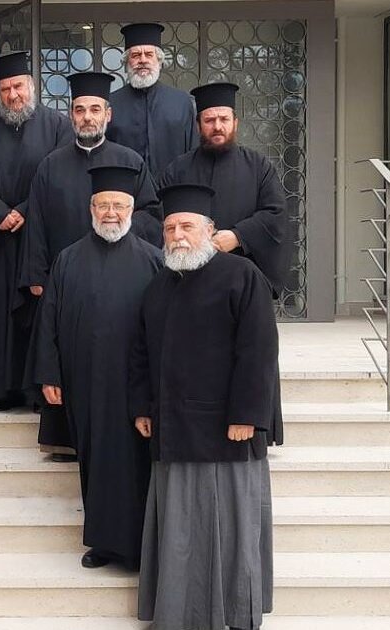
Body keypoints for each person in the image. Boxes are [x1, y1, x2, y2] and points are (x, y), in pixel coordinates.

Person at [131, 182, 277, 630]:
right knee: (180, 532)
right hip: (173, 430)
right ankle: (180, 614)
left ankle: (232, 611)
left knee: (231, 529)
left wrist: (247, 415)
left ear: (210, 230)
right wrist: (143, 407)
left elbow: (258, 351)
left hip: (226, 432)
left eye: (187, 227)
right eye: (170, 228)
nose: (177, 236)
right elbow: (141, 353)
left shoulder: (242, 276)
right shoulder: (159, 285)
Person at [28, 165, 162, 571]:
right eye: (103, 205)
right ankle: (103, 544)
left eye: (118, 205)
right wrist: (49, 374)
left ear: (132, 210)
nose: (111, 213)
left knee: (137, 464)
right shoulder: (68, 259)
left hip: (136, 385)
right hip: (84, 380)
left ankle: (141, 547)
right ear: (91, 209)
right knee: (94, 460)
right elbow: (48, 320)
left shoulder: (153, 260)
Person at [20, 71, 160, 457]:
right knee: (67, 355)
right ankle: (67, 441)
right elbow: (37, 222)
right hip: (67, 284)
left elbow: (151, 214)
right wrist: (36, 274)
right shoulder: (51, 165)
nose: (87, 117)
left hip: (123, 281)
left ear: (108, 114)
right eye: (80, 110)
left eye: (95, 109)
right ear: (71, 115)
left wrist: (117, 232)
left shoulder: (130, 161)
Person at [0, 50, 72, 411]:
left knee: (37, 314)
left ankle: (36, 392)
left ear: (31, 86)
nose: (13, 95)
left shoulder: (57, 127)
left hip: (38, 239)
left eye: (19, 87)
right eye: (6, 89)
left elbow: (60, 178)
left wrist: (24, 211)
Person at [157, 81, 290, 299]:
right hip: (189, 282)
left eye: (224, 119)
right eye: (209, 120)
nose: (217, 126)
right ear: (198, 126)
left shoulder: (258, 166)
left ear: (235, 123)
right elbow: (160, 218)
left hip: (242, 282)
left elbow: (275, 213)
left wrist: (239, 236)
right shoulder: (177, 170)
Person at [106, 22, 198, 176]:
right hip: (124, 189)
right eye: (136, 55)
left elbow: (193, 153)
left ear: (159, 61)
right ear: (127, 62)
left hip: (173, 188)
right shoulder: (111, 104)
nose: (143, 60)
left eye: (149, 54)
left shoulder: (181, 103)